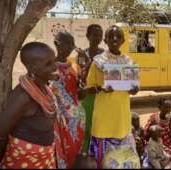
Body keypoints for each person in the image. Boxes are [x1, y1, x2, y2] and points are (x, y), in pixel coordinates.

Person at [0, 42, 58, 168]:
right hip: (24, 160)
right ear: (32, 67)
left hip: (44, 158)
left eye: (54, 61)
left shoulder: (44, 88)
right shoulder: (23, 97)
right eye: (48, 64)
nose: (54, 67)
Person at [86, 25, 140, 168]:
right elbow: (88, 89)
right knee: (102, 162)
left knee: (122, 161)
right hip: (103, 121)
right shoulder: (98, 62)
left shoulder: (128, 62)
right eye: (110, 36)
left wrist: (134, 89)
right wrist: (100, 88)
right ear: (105, 40)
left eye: (118, 36)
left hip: (121, 119)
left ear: (123, 40)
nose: (114, 39)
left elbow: (132, 89)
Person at [51, 31, 86, 169]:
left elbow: (80, 93)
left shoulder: (73, 66)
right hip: (58, 121)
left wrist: (83, 68)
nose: (71, 47)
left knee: (74, 152)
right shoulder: (48, 67)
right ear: (56, 44)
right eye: (68, 44)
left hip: (76, 121)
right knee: (59, 153)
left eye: (73, 44)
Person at [78, 24, 105, 154]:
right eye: (94, 35)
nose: (97, 37)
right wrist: (90, 61)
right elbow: (82, 75)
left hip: (102, 94)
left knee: (99, 124)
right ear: (88, 36)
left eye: (100, 35)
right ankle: (85, 153)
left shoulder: (105, 54)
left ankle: (98, 152)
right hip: (88, 94)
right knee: (87, 124)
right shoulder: (82, 54)